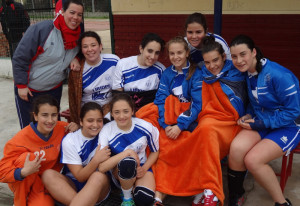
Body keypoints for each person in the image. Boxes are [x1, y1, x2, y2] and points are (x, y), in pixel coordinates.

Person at [137, 35, 246, 206]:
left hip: (189, 120)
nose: (176, 57)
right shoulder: (167, 73)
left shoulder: (197, 72)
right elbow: (160, 100)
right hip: (169, 119)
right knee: (160, 141)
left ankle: (198, 189)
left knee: (187, 143)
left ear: (187, 52)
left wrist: (180, 125)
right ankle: (160, 192)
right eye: (172, 54)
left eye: (180, 52)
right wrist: (166, 125)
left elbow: (198, 102)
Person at [228, 34, 300, 206]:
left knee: (252, 160)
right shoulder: (248, 73)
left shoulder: (277, 74)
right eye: (234, 56)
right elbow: (256, 101)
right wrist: (248, 114)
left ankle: (281, 202)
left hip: (288, 125)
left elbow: (294, 112)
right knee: (236, 148)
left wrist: (262, 123)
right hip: (263, 121)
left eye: (243, 54)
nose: (238, 60)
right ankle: (236, 196)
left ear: (253, 52)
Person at [12, 0, 83, 129]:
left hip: (54, 89)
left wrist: (75, 58)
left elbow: (83, 50)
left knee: (52, 126)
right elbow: (20, 57)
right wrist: (21, 85)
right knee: (31, 128)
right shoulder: (42, 30)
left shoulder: (78, 34)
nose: (75, 17)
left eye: (79, 14)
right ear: (62, 12)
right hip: (30, 91)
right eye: (72, 12)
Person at [0, 94, 78, 206]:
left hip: (48, 181)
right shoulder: (20, 140)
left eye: (54, 115)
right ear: (35, 116)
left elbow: (81, 137)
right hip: (26, 181)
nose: (50, 120)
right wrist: (23, 172)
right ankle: (20, 202)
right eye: (44, 115)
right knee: (30, 158)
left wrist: (76, 128)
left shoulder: (63, 128)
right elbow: (2, 171)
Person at [41, 102, 111, 206]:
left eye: (99, 120)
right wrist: (96, 160)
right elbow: (80, 176)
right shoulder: (70, 140)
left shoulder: (106, 132)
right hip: (73, 185)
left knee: (98, 176)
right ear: (81, 122)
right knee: (47, 175)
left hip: (98, 187)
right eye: (90, 120)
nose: (95, 125)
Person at [98, 93, 159, 206]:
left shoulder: (146, 127)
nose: (121, 116)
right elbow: (102, 167)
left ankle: (132, 189)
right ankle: (127, 198)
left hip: (141, 168)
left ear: (132, 111)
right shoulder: (106, 131)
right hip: (119, 171)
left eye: (126, 111)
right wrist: (126, 153)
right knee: (127, 162)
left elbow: (155, 151)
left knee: (144, 199)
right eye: (117, 112)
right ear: (111, 113)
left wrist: (144, 168)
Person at [68, 31, 120, 124]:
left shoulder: (113, 61)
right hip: (88, 112)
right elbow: (73, 100)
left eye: (93, 45)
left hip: (110, 109)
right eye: (85, 46)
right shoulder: (77, 70)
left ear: (100, 46)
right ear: (81, 50)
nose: (90, 49)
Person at [112, 32, 166, 111]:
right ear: (141, 48)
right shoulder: (123, 65)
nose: (153, 57)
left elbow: (162, 98)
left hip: (150, 113)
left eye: (157, 53)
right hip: (127, 111)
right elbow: (117, 96)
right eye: (150, 51)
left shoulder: (161, 69)